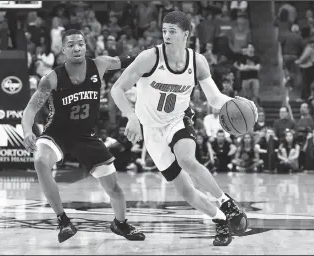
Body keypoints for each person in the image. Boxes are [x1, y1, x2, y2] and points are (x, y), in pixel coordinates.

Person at [110, 11, 258, 246]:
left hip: (178, 119)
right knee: (186, 192)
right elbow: (117, 89)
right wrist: (130, 116)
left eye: (172, 31)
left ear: (186, 34)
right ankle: (220, 221)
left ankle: (225, 202)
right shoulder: (149, 58)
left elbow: (214, 99)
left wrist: (237, 104)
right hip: (151, 129)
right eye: (164, 30)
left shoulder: (197, 61)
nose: (166, 35)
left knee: (187, 159)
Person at [21, 29, 145, 243]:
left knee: (114, 188)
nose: (76, 47)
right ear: (63, 50)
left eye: (80, 43)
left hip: (86, 135)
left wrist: (157, 53)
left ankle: (120, 224)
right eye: (71, 45)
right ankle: (63, 220)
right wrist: (26, 131)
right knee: (40, 161)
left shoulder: (100, 64)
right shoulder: (51, 79)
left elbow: (132, 61)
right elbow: (30, 110)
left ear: (86, 46)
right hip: (56, 134)